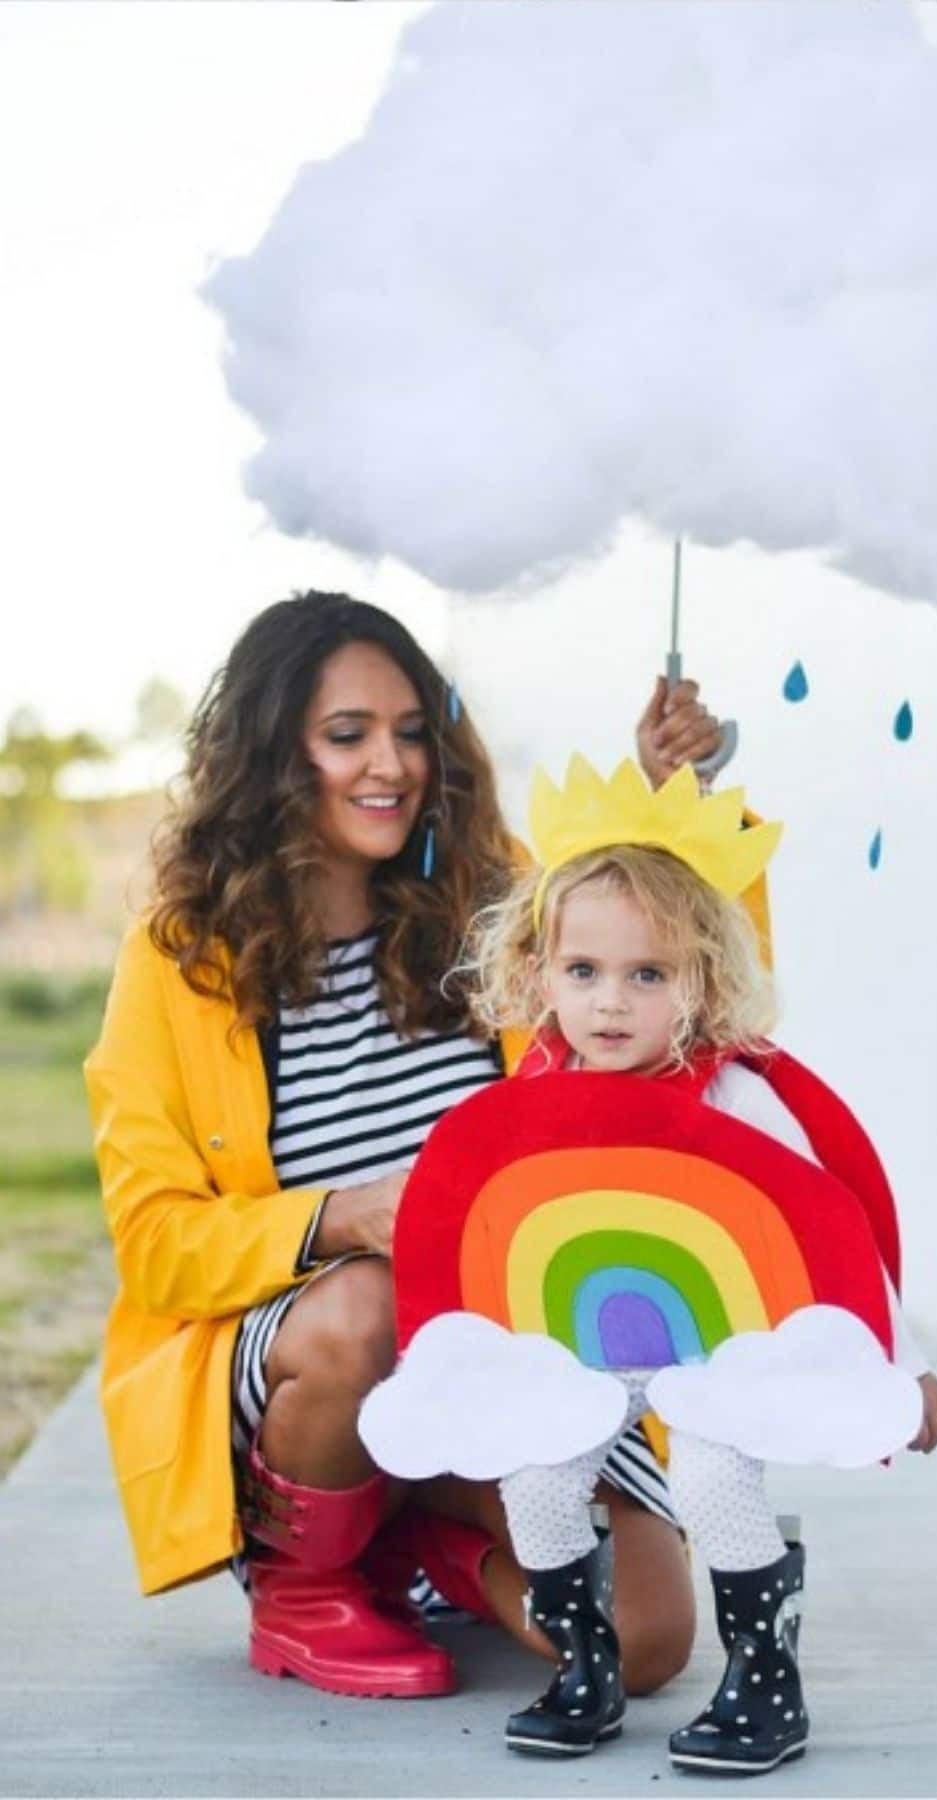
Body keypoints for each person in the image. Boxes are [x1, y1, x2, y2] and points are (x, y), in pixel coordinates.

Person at [84, 590, 725, 1700]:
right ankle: (302, 1581)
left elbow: (679, 1015)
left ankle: (415, 1529)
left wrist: (672, 816)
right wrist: (348, 1217)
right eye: (348, 735)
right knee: (368, 1299)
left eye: (412, 729)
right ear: (272, 755)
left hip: (502, 1346)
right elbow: (153, 1245)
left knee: (646, 1640)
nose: (392, 762)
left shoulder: (493, 899)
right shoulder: (182, 957)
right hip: (313, 1357)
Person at [437, 758, 937, 1772]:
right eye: (583, 972)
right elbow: (486, 1229)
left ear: (702, 981)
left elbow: (831, 1225)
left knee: (711, 1474)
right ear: (540, 972)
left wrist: (904, 1358)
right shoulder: (535, 1098)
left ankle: (765, 1678)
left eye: (648, 974)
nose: (612, 1002)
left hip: (721, 1343)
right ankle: (585, 1665)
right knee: (538, 1480)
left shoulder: (729, 1094)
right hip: (587, 1341)